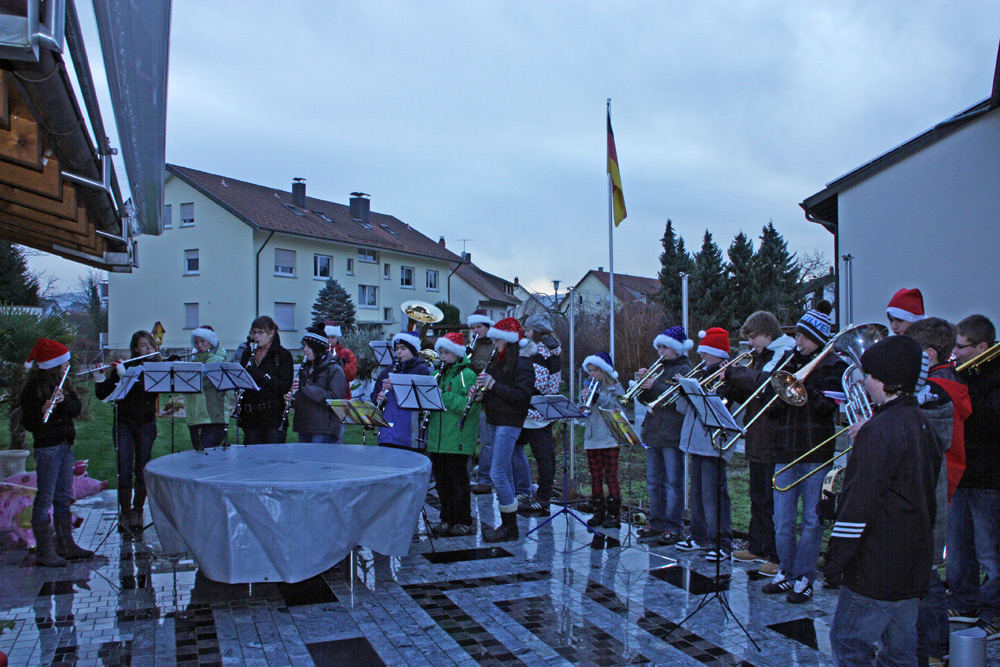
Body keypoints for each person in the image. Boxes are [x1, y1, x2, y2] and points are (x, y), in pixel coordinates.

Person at [825, 335, 943, 667]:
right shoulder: (922, 425)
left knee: (848, 642)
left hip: (874, 569)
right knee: (901, 652)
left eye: (870, 375)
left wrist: (835, 563)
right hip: (911, 567)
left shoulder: (878, 432)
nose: (863, 380)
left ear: (887, 380)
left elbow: (859, 504)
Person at [763, 301, 846, 603]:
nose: (798, 342)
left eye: (805, 337)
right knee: (782, 521)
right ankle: (786, 570)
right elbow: (771, 414)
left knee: (812, 521)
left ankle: (805, 576)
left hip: (815, 454)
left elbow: (827, 409)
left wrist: (803, 385)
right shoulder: (789, 361)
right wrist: (779, 388)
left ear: (819, 340)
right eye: (797, 336)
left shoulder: (835, 366)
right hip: (785, 450)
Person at [905, 317, 972, 663]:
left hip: (932, 485)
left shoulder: (937, 390)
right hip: (931, 483)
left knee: (927, 575)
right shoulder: (938, 383)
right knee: (924, 572)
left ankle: (935, 648)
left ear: (929, 355)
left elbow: (925, 436)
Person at [723, 311, 795, 574]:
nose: (751, 343)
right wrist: (727, 387)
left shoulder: (784, 352)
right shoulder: (762, 356)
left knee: (771, 498)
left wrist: (734, 373)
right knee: (758, 496)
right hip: (758, 436)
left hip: (775, 436)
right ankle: (757, 546)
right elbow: (750, 392)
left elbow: (766, 385)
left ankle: (776, 555)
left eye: (753, 337)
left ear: (768, 333)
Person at [948, 314, 1000, 639]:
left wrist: (963, 389)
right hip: (962, 473)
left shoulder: (992, 376)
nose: (955, 352)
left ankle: (994, 611)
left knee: (990, 552)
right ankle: (965, 603)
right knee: (958, 547)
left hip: (989, 478)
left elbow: (990, 422)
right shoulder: (964, 373)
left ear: (982, 346)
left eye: (961, 347)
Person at [21, 339, 93, 566]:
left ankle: (66, 545)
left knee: (63, 498)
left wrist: (63, 402)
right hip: (48, 448)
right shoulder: (34, 388)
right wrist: (43, 410)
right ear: (53, 364)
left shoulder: (64, 384)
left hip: (64, 445)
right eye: (64, 363)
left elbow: (76, 410)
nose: (67, 366)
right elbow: (30, 423)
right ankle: (44, 551)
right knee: (45, 499)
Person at [675, 328, 734, 561]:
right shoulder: (700, 375)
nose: (702, 357)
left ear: (718, 353)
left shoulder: (727, 375)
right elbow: (683, 410)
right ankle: (699, 537)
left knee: (714, 495)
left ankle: (721, 541)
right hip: (695, 442)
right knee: (697, 494)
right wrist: (683, 391)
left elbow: (726, 408)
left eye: (706, 353)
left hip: (713, 443)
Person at [94, 330, 161, 532]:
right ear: (135, 348)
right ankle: (125, 512)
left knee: (142, 468)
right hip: (123, 423)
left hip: (146, 424)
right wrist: (100, 378)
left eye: (150, 344)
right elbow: (104, 394)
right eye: (143, 345)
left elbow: (147, 391)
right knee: (124, 469)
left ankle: (138, 510)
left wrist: (127, 378)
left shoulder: (157, 368)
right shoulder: (125, 366)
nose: (148, 349)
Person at [476, 317, 535, 543]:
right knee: (505, 473)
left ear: (508, 341)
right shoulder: (496, 361)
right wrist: (482, 393)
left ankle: (510, 526)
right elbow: (495, 391)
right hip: (493, 418)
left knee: (497, 473)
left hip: (510, 422)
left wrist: (493, 385)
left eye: (497, 339)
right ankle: (508, 523)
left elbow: (521, 397)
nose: (493, 343)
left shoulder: (523, 364)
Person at [636, 326, 693, 545]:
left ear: (677, 349)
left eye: (665, 347)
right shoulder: (659, 368)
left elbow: (676, 398)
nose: (661, 351)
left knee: (673, 482)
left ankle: (673, 526)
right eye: (659, 347)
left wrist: (656, 385)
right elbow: (646, 401)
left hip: (672, 432)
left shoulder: (685, 369)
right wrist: (643, 386)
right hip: (654, 431)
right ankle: (656, 522)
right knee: (653, 482)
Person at [426, 332, 480, 537]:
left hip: (457, 436)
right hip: (438, 437)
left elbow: (469, 406)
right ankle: (446, 519)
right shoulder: (438, 373)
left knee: (458, 482)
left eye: (446, 352)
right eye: (440, 352)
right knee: (441, 483)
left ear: (457, 353)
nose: (442, 356)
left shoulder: (468, 375)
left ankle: (463, 520)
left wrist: (441, 397)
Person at [515, 313, 562, 518]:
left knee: (543, 455)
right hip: (545, 406)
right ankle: (534, 493)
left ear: (535, 331)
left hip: (535, 410)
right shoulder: (553, 349)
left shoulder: (539, 351)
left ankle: (543, 498)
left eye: (527, 329)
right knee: (544, 454)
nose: (525, 333)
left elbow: (539, 383)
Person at [580, 352, 625, 528]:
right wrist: (584, 401)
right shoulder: (590, 385)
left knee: (611, 475)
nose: (592, 374)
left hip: (609, 437)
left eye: (595, 371)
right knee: (595, 475)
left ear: (604, 371)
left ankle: (614, 513)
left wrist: (597, 396)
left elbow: (617, 407)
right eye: (590, 370)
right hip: (592, 437)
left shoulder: (616, 388)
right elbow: (583, 410)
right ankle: (598, 511)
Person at [237, 316, 295, 444]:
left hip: (272, 416)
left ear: (271, 333)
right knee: (251, 457)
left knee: (272, 457)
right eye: (254, 333)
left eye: (260, 332)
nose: (256, 337)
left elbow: (284, 386)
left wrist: (260, 375)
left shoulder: (282, 355)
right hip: (251, 416)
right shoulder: (248, 353)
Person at [370, 331, 431, 449]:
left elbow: (423, 399)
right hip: (387, 427)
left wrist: (397, 387)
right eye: (397, 348)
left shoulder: (422, 370)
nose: (399, 352)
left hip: (409, 430)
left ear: (413, 350)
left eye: (403, 348)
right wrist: (377, 398)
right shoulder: (388, 371)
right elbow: (375, 393)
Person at [291, 325, 347, 443]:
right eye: (304, 346)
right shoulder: (305, 368)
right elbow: (304, 394)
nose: (304, 350)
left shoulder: (334, 369)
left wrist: (305, 388)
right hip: (304, 426)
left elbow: (335, 400)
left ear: (317, 348)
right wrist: (294, 397)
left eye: (308, 346)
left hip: (323, 429)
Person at [467, 310, 496, 494]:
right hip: (471, 394)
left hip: (486, 398)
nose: (476, 331)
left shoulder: (493, 345)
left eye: (479, 327)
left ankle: (485, 479)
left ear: (487, 327)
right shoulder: (471, 345)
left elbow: (487, 366)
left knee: (486, 442)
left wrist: (470, 358)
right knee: (468, 439)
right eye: (473, 328)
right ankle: (466, 476)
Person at [186, 326, 228, 451]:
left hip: (213, 418)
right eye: (196, 342)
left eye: (203, 341)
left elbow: (204, 380)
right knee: (198, 455)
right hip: (196, 418)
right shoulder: (195, 360)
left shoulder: (218, 359)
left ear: (211, 342)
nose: (199, 345)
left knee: (208, 456)